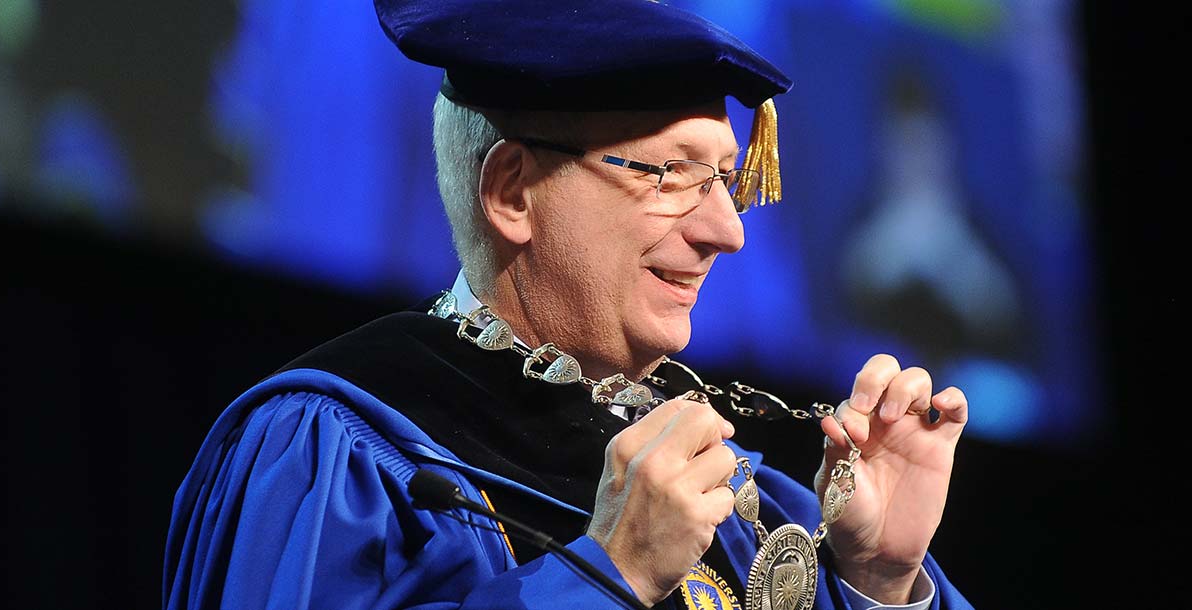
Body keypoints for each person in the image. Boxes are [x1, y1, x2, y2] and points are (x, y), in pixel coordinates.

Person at [163, 2, 973, 609]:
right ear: (513, 192)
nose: (727, 230)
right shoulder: (340, 456)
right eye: (671, 174)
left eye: (725, 179)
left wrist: (881, 581)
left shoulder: (744, 501)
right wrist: (604, 578)